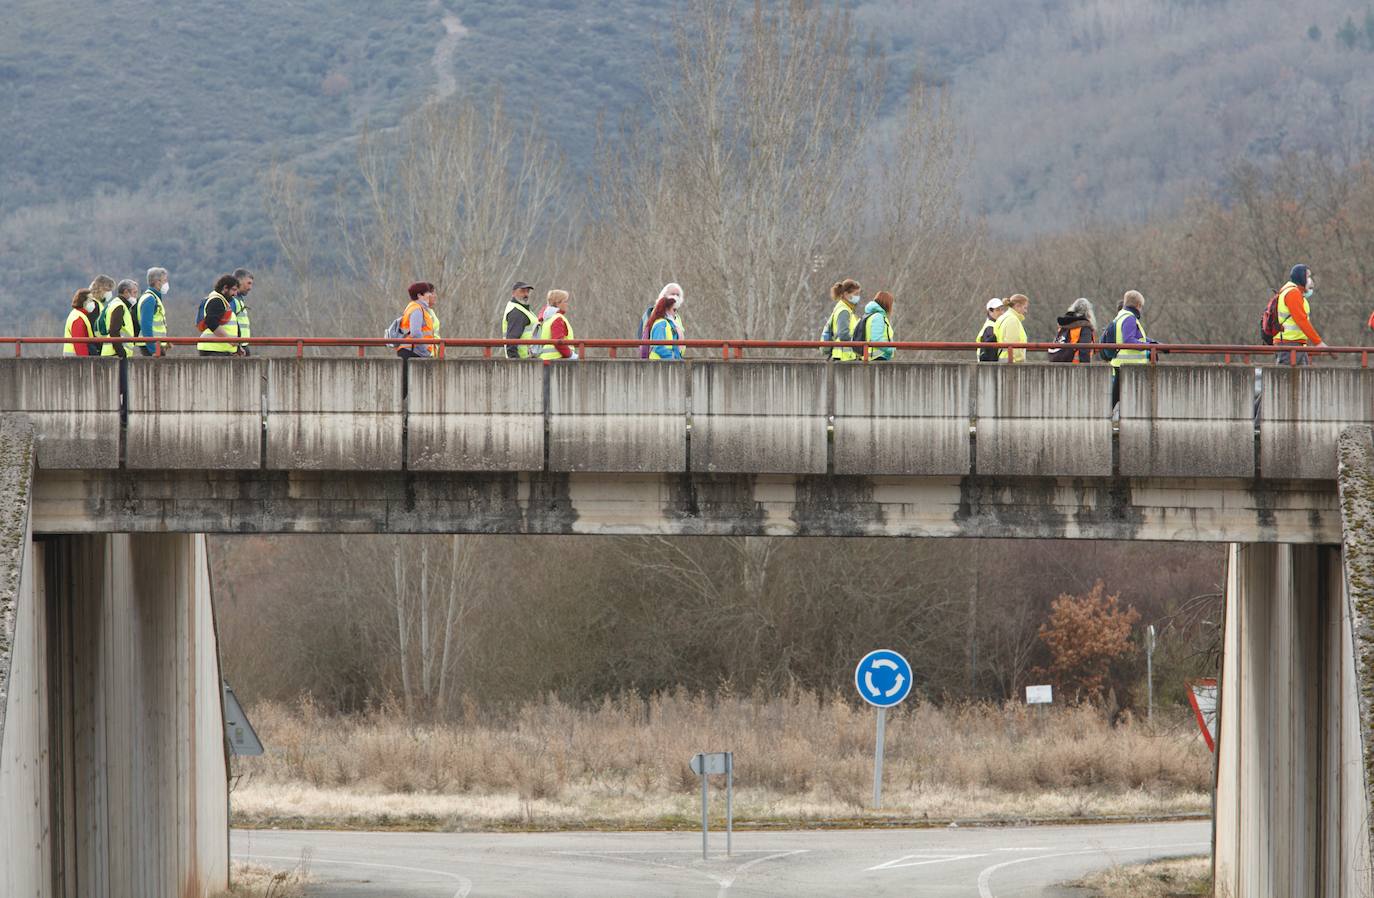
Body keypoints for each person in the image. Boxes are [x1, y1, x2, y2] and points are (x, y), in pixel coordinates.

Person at [1102, 289, 1154, 409]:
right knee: (1123, 403)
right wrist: (1148, 346)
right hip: (1129, 365)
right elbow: (1129, 340)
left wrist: (1154, 343)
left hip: (1120, 364)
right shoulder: (1130, 318)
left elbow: (1139, 338)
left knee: (1115, 402)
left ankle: (1113, 422)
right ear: (1138, 305)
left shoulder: (1120, 316)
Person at [1274, 264, 1325, 366]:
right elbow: (1302, 321)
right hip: (1289, 345)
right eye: (1308, 276)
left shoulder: (1293, 291)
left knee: (1303, 379)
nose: (1310, 280)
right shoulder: (1293, 293)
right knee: (1287, 379)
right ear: (1301, 277)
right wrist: (1318, 343)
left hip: (1296, 345)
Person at [197, 275, 242, 357]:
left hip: (219, 349)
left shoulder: (222, 301)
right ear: (225, 288)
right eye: (234, 290)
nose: (235, 294)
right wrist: (229, 340)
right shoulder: (216, 301)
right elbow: (211, 322)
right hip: (214, 349)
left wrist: (238, 346)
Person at [396, 281, 440, 360]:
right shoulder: (417, 309)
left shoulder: (416, 308)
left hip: (412, 350)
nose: (430, 295)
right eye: (427, 293)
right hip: (412, 352)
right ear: (419, 295)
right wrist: (425, 352)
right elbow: (416, 333)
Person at [821, 279, 862, 361]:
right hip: (845, 356)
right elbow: (843, 334)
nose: (858, 297)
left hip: (845, 355)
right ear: (846, 294)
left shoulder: (845, 308)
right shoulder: (844, 310)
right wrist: (857, 343)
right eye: (856, 294)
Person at [640, 283, 684, 359]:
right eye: (673, 309)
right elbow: (659, 347)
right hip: (659, 363)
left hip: (668, 361)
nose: (675, 312)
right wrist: (674, 357)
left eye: (678, 295)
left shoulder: (672, 321)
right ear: (667, 309)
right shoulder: (661, 324)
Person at [99, 279, 141, 358]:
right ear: (126, 292)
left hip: (114, 353)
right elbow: (114, 331)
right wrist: (122, 353)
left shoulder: (117, 304)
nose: (136, 296)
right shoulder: (119, 306)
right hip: (115, 354)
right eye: (134, 292)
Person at [1048, 298, 1096, 364]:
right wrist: (1086, 369)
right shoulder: (1084, 327)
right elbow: (1084, 350)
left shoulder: (1064, 325)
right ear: (1088, 313)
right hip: (1075, 366)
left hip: (1058, 363)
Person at [535, 289, 577, 360]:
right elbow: (558, 341)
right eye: (565, 301)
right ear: (557, 303)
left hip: (548, 359)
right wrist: (570, 355)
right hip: (557, 359)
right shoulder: (557, 319)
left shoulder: (548, 318)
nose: (567, 304)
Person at [137, 268, 171, 356]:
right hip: (152, 346)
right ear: (157, 282)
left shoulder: (154, 297)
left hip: (156, 344)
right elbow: (146, 325)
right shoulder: (150, 299)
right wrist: (153, 349)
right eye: (165, 280)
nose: (166, 283)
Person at [501, 280, 538, 359]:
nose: (526, 294)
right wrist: (515, 362)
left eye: (527, 291)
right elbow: (511, 341)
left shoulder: (522, 308)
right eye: (522, 291)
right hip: (523, 359)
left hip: (527, 358)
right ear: (513, 293)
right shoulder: (517, 312)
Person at [853, 291, 895, 361]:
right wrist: (891, 349)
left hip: (870, 356)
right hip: (877, 357)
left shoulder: (868, 316)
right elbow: (877, 339)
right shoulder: (878, 317)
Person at [63, 289, 100, 356]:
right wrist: (85, 361)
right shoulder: (78, 318)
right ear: (83, 302)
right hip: (75, 359)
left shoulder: (79, 315)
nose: (93, 303)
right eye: (90, 300)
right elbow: (80, 344)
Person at [995, 294, 1030, 363]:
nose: (1026, 311)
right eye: (1025, 308)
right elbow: (1014, 344)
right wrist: (1020, 361)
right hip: (1012, 361)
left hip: (1002, 358)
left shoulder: (1002, 317)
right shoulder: (1012, 320)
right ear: (1017, 306)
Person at [232, 268, 255, 354]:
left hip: (241, 344)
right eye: (248, 283)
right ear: (239, 281)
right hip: (237, 346)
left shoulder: (239, 299)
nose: (250, 287)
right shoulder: (232, 300)